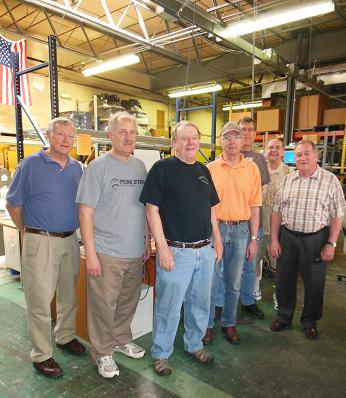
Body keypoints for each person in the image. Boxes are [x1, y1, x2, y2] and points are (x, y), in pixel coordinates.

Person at [140, 120, 222, 376]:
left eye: (194, 138)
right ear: (173, 143)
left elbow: (211, 209)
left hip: (204, 250)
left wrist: (217, 240)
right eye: (184, 138)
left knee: (200, 303)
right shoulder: (161, 169)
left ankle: (194, 344)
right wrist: (161, 248)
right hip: (177, 252)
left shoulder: (203, 170)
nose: (191, 143)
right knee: (169, 306)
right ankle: (161, 354)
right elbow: (151, 210)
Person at [6, 117, 85, 378]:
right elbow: (13, 204)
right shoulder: (30, 165)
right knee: (39, 299)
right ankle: (42, 354)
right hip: (40, 239)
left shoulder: (76, 168)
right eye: (60, 134)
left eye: (70, 136)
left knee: (68, 295)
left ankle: (65, 336)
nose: (66, 140)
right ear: (49, 135)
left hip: (69, 240)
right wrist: (28, 232)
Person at [77, 111, 151, 379]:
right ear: (110, 135)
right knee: (102, 306)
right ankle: (102, 352)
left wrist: (145, 238)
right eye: (122, 132)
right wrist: (92, 254)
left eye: (132, 132)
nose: (128, 137)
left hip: (134, 252)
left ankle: (120, 339)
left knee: (126, 302)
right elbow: (85, 212)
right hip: (106, 252)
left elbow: (144, 208)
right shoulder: (98, 167)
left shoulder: (140, 166)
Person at [270, 140, 345, 339]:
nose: (302, 158)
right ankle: (284, 317)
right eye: (299, 155)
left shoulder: (330, 181)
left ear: (316, 156)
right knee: (284, 279)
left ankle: (309, 321)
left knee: (314, 282)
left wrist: (331, 243)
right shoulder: (287, 180)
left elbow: (337, 215)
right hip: (288, 237)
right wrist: (275, 240)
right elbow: (276, 212)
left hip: (315, 239)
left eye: (307, 154)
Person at [203, 122, 261, 346]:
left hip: (241, 230)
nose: (232, 141)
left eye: (236, 137)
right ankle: (207, 325)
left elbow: (255, 205)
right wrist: (213, 232)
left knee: (233, 282)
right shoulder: (210, 169)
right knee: (211, 281)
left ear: (242, 140)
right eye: (227, 137)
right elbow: (206, 206)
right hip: (215, 229)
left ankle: (229, 323)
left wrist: (254, 239)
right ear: (221, 141)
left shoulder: (252, 168)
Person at [238, 116, 270, 318]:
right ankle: (220, 303)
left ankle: (248, 301)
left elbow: (264, 188)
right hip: (232, 222)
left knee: (250, 263)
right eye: (242, 130)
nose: (246, 133)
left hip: (253, 221)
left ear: (255, 133)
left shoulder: (259, 159)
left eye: (250, 129)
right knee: (225, 266)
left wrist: (252, 208)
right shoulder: (229, 154)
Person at [257, 138, 293, 308]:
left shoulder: (291, 175)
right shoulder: (257, 172)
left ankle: (279, 296)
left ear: (283, 151)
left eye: (277, 147)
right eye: (270, 147)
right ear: (265, 150)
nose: (273, 150)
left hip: (280, 231)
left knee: (280, 266)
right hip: (258, 226)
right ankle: (253, 291)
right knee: (254, 262)